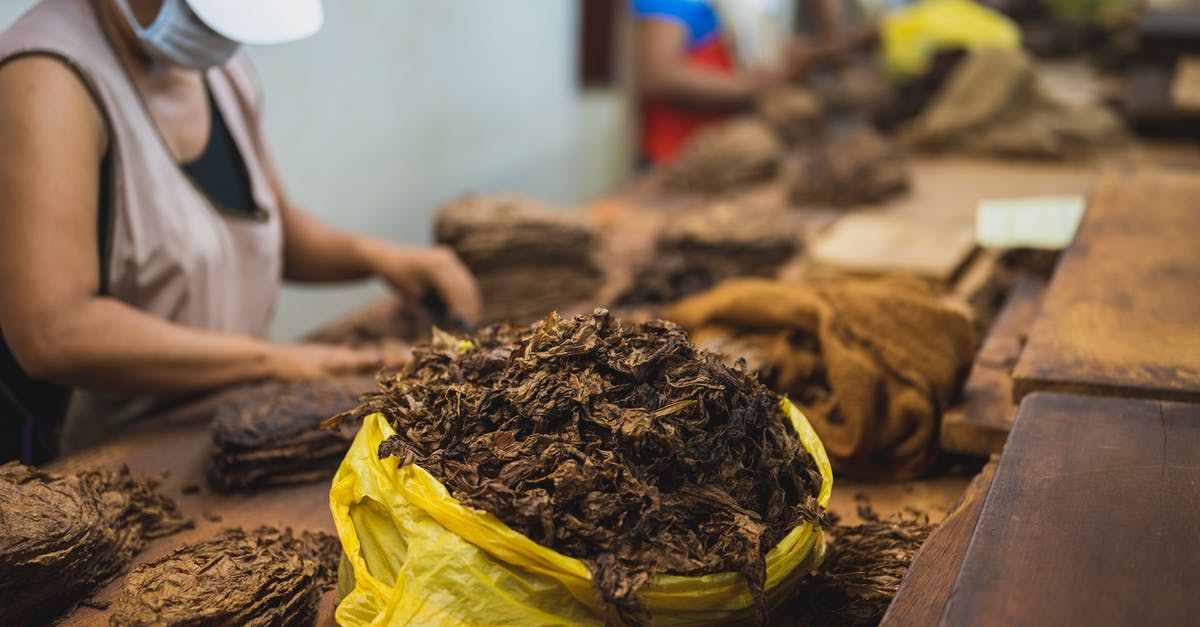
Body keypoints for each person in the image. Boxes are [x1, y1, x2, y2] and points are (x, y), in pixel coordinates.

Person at [0, 0, 481, 464]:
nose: (215, 34)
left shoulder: (214, 65)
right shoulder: (44, 81)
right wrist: (272, 360)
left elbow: (262, 226)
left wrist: (377, 257)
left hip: (211, 420)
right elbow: (55, 332)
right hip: (90, 452)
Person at [632, 0, 874, 164]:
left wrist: (801, 60)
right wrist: (759, 87)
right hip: (675, 157)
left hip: (723, 151)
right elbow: (658, 76)